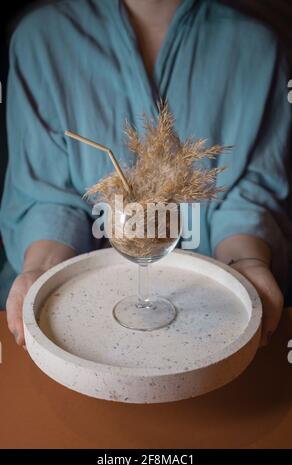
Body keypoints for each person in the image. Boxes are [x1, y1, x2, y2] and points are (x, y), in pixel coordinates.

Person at [0, 0, 291, 347]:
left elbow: (250, 192)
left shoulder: (257, 47)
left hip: (210, 321)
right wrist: (41, 271)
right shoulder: (41, 40)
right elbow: (49, 199)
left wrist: (246, 262)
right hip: (78, 326)